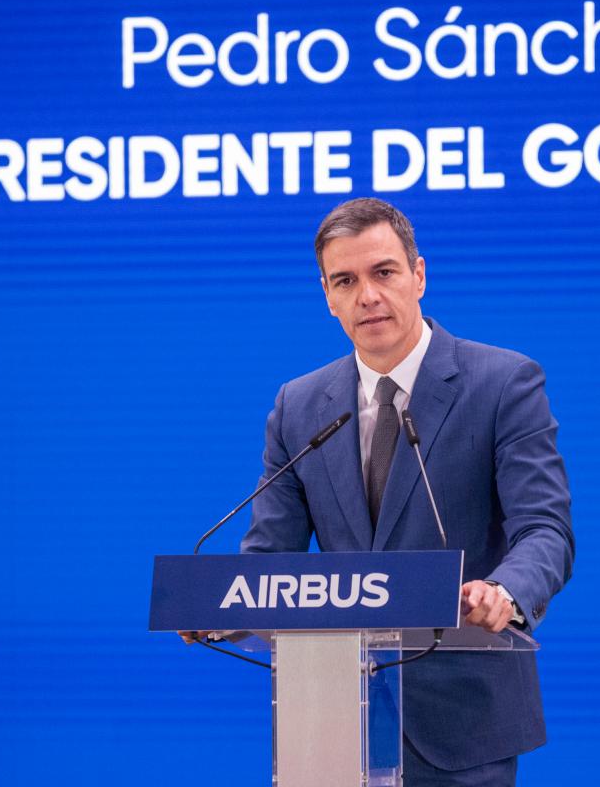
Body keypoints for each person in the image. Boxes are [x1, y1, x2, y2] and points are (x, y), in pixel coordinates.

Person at [240, 197, 574, 786]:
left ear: (419, 275)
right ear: (327, 296)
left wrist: (505, 591)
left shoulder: (503, 383)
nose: (367, 295)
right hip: (333, 717)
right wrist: (223, 610)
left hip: (462, 718)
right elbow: (270, 557)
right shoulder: (299, 405)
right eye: (345, 280)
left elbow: (545, 529)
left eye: (384, 272)